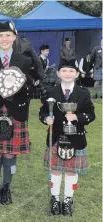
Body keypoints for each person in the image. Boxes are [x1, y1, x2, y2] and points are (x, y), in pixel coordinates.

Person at [0, 21, 34, 206]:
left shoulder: (25, 61)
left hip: (16, 112)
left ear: (14, 37)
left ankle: (6, 188)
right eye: (1, 35)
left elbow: (34, 83)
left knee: (10, 155)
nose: (4, 39)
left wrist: (25, 85)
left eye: (8, 35)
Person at [39, 62, 95, 216]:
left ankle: (68, 200)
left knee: (71, 171)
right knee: (55, 170)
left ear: (77, 74)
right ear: (58, 73)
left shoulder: (83, 93)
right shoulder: (51, 91)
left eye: (71, 71)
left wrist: (77, 116)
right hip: (56, 136)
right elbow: (42, 112)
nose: (68, 73)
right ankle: (55, 199)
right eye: (64, 71)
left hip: (76, 137)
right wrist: (45, 119)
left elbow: (91, 114)